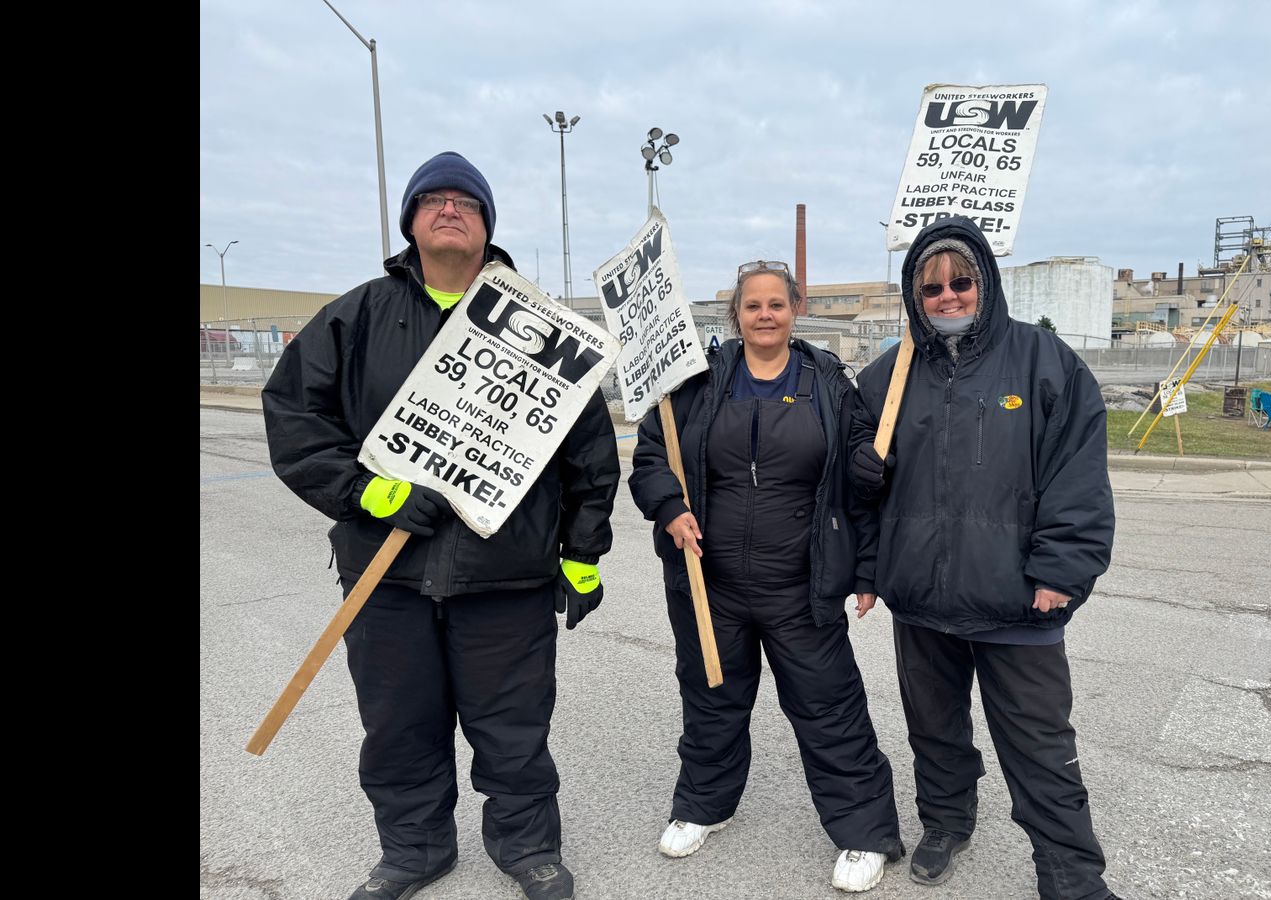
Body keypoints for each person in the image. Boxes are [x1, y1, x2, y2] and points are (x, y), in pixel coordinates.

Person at [262, 151, 619, 900]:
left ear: (488, 226)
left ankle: (526, 846)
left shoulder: (545, 331)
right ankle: (415, 850)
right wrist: (368, 493)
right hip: (386, 576)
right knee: (398, 727)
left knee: (513, 729)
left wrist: (582, 554)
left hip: (507, 576)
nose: (449, 208)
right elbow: (294, 418)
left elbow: (588, 455)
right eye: (432, 199)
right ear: (411, 223)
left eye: (466, 201)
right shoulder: (356, 317)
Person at [848, 217, 1124, 900]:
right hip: (920, 601)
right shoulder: (887, 376)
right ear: (916, 295)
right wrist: (863, 524)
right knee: (934, 732)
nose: (947, 296)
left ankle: (1071, 876)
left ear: (984, 284)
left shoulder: (1045, 363)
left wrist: (1061, 571)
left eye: (960, 281)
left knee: (1040, 748)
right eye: (932, 285)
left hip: (1016, 604)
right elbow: (856, 495)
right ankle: (945, 822)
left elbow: (1078, 477)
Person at [629, 260, 904, 892]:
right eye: (752, 305)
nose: (765, 315)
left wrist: (869, 492)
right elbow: (652, 457)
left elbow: (863, 482)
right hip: (710, 583)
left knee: (830, 707)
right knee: (711, 701)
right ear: (737, 314)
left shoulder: (830, 384)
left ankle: (865, 833)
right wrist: (670, 508)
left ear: (794, 308)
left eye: (776, 304)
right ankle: (704, 805)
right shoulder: (697, 384)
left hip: (801, 587)